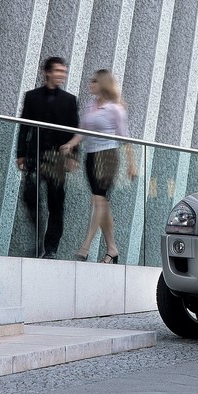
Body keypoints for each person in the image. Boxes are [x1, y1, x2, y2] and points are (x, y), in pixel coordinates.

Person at [61, 69, 137, 263]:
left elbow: (125, 138)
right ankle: (112, 249)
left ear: (103, 83)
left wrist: (131, 164)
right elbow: (83, 131)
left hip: (107, 156)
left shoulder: (115, 109)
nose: (91, 84)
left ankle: (85, 247)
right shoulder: (90, 105)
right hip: (91, 156)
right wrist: (71, 144)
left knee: (98, 200)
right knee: (102, 202)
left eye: (94, 81)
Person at [16, 57, 79, 259]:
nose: (62, 75)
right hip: (36, 155)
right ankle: (37, 242)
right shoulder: (32, 97)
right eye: (58, 71)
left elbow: (74, 129)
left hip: (57, 158)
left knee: (56, 203)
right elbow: (24, 126)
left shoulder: (69, 100)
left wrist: (73, 156)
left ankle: (51, 248)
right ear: (47, 73)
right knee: (31, 197)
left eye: (64, 71)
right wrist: (21, 153)